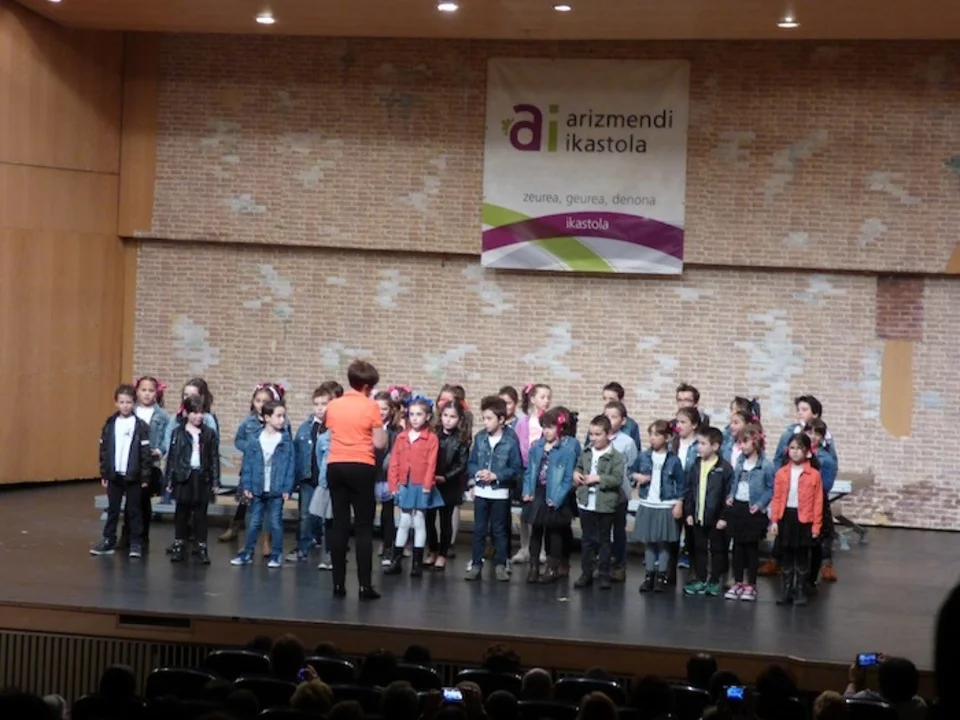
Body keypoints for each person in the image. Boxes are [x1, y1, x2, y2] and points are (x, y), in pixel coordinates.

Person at [325, 360, 388, 600]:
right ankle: (364, 585)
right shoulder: (370, 406)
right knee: (363, 527)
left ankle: (337, 585)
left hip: (336, 465)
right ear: (367, 386)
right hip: (361, 465)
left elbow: (332, 434)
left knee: (339, 524)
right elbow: (379, 442)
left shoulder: (334, 405)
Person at [90, 384, 153, 558]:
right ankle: (108, 540)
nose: (125, 406)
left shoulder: (140, 426)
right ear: (116, 403)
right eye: (122, 402)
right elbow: (104, 451)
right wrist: (104, 473)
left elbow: (145, 453)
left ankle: (135, 542)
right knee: (113, 509)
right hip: (114, 474)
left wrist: (145, 476)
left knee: (134, 510)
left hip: (133, 475)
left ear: (134, 403)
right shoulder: (110, 424)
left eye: (129, 402)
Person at [230, 400, 295, 568]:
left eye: (283, 416)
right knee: (254, 522)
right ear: (267, 417)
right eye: (278, 416)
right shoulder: (256, 438)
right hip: (258, 487)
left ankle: (276, 554)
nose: (282, 420)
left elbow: (290, 465)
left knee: (275, 522)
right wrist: (247, 485)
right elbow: (248, 464)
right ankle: (247, 553)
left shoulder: (285, 440)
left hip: (276, 488)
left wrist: (287, 488)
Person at [466, 396, 523, 581]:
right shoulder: (480, 438)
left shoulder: (510, 441)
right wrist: (477, 474)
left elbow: (516, 468)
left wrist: (496, 475)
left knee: (499, 530)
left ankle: (501, 563)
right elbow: (471, 463)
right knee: (479, 530)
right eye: (484, 418)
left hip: (500, 493)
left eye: (489, 418)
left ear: (501, 419)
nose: (485, 422)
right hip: (481, 491)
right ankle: (476, 564)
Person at [384, 397, 443, 577]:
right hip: (405, 483)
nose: (415, 418)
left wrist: (427, 484)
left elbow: (431, 464)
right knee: (403, 521)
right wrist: (393, 484)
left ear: (427, 417)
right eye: (411, 414)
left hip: (421, 484)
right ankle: (396, 560)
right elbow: (394, 462)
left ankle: (417, 562)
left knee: (418, 520)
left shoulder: (431, 438)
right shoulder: (401, 437)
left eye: (419, 414)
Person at [226, 383, 286, 556]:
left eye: (265, 401)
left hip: (272, 472)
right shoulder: (249, 422)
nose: (261, 404)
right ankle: (248, 542)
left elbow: (286, 443)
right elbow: (238, 440)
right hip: (252, 472)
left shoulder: (280, 421)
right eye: (258, 400)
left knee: (268, 509)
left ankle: (266, 541)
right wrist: (250, 448)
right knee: (250, 508)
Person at [522, 407, 579, 583]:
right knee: (536, 531)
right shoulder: (536, 448)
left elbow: (567, 479)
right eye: (545, 427)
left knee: (554, 532)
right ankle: (533, 567)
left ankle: (552, 567)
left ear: (559, 428)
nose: (547, 431)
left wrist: (558, 498)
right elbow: (529, 472)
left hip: (554, 494)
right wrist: (527, 491)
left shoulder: (566, 451)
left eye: (551, 427)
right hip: (538, 492)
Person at [165, 394, 220, 564]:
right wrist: (169, 480)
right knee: (181, 513)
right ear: (186, 413)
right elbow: (172, 458)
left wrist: (215, 480)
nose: (199, 416)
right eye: (195, 412)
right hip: (183, 476)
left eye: (201, 412)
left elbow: (214, 457)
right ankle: (179, 545)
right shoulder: (178, 432)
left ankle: (201, 546)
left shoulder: (209, 433)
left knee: (201, 514)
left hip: (202, 476)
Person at [632, 420, 685, 593]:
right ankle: (649, 576)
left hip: (665, 505)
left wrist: (679, 503)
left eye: (657, 435)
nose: (652, 438)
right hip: (648, 503)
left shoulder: (673, 460)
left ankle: (662, 576)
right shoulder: (644, 456)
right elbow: (631, 471)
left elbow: (681, 484)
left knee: (663, 543)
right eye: (651, 435)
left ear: (667, 437)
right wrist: (638, 477)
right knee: (649, 542)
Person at [117, 376, 170, 552]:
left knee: (143, 500)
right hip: (130, 464)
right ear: (137, 392)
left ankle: (142, 536)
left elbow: (167, 438)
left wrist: (159, 451)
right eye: (143, 390)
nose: (147, 394)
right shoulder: (131, 411)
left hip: (150, 465)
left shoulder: (162, 415)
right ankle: (127, 534)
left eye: (151, 390)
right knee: (131, 501)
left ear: (156, 393)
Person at [770, 433, 823, 606]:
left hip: (804, 519)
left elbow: (818, 502)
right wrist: (774, 520)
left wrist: (816, 527)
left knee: (801, 557)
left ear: (807, 451)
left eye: (799, 448)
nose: (795, 452)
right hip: (786, 517)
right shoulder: (781, 473)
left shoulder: (814, 475)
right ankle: (786, 590)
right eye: (792, 448)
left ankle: (800, 590)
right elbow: (777, 498)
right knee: (786, 556)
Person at [723, 423, 774, 602]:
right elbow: (735, 482)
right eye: (740, 442)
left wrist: (760, 504)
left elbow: (771, 488)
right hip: (738, 507)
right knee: (737, 547)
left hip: (753, 510)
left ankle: (751, 584)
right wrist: (731, 496)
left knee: (751, 548)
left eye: (745, 442)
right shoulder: (739, 462)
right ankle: (738, 581)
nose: (742, 446)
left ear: (755, 442)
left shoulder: (765, 465)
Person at [573, 415, 624, 590]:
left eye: (597, 434)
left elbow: (617, 478)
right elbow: (579, 466)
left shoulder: (615, 456)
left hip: (604, 504)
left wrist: (598, 478)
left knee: (603, 540)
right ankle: (586, 573)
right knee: (587, 539)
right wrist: (576, 473)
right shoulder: (587, 452)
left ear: (608, 434)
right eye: (591, 434)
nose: (593, 438)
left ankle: (604, 574)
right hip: (586, 502)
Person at [682, 426, 734, 597]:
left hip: (716, 518)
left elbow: (728, 494)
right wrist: (689, 512)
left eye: (703, 443)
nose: (699, 447)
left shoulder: (724, 468)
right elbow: (689, 490)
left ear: (715, 446)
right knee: (699, 548)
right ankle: (701, 578)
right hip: (698, 516)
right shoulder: (696, 465)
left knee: (717, 549)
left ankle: (714, 580)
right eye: (698, 443)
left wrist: (724, 516)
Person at [427, 398, 470, 570]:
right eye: (445, 415)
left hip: (448, 483)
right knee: (429, 519)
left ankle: (443, 553)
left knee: (445, 520)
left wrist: (446, 477)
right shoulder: (433, 434)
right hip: (431, 481)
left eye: (452, 417)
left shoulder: (461, 439)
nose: (448, 420)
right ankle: (432, 550)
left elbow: (462, 464)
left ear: (459, 419)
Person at [293, 385, 334, 565]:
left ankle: (329, 553)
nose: (320, 408)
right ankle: (302, 548)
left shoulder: (334, 428)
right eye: (316, 404)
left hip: (326, 479)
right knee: (305, 515)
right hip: (308, 478)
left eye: (324, 404)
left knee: (327, 518)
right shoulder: (305, 427)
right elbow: (297, 452)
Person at [512, 383, 552, 565]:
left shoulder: (551, 421)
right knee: (526, 511)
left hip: (544, 472)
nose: (546, 400)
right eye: (543, 397)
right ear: (533, 399)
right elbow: (518, 444)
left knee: (541, 511)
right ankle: (524, 547)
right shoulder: (524, 422)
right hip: (526, 471)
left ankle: (541, 549)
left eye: (548, 397)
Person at [602, 401, 639, 582]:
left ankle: (619, 565)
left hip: (619, 494)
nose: (609, 420)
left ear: (623, 421)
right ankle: (602, 564)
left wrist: (627, 486)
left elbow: (632, 467)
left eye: (614, 416)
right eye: (606, 416)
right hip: (601, 493)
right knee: (601, 531)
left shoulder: (627, 442)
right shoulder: (598, 437)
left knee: (618, 531)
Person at [806, 418, 839, 585]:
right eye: (809, 432)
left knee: (822, 535)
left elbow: (826, 484)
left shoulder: (826, 459)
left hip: (817, 500)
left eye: (816, 434)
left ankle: (825, 565)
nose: (812, 436)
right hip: (799, 501)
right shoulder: (796, 452)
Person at [845, 656, 927, 720]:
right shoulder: (918, 706)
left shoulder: (863, 698)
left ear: (879, 681)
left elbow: (847, 700)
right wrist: (895, 666)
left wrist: (853, 682)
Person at [672, 405, 702, 576]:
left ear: (694, 425)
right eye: (678, 422)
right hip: (674, 490)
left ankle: (688, 553)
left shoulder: (698, 445)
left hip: (691, 491)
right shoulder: (673, 442)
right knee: (673, 526)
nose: (679, 425)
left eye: (683, 422)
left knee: (690, 526)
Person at [374, 390, 402, 566]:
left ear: (391, 410)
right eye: (377, 408)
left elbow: (396, 451)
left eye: (384, 409)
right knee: (368, 512)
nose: (381, 412)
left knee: (387, 514)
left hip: (387, 475)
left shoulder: (396, 430)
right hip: (371, 473)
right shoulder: (368, 427)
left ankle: (387, 547)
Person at [601, 382, 642, 450]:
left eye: (611, 399)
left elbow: (635, 451)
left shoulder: (631, 425)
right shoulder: (597, 422)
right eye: (605, 398)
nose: (607, 402)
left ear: (621, 400)